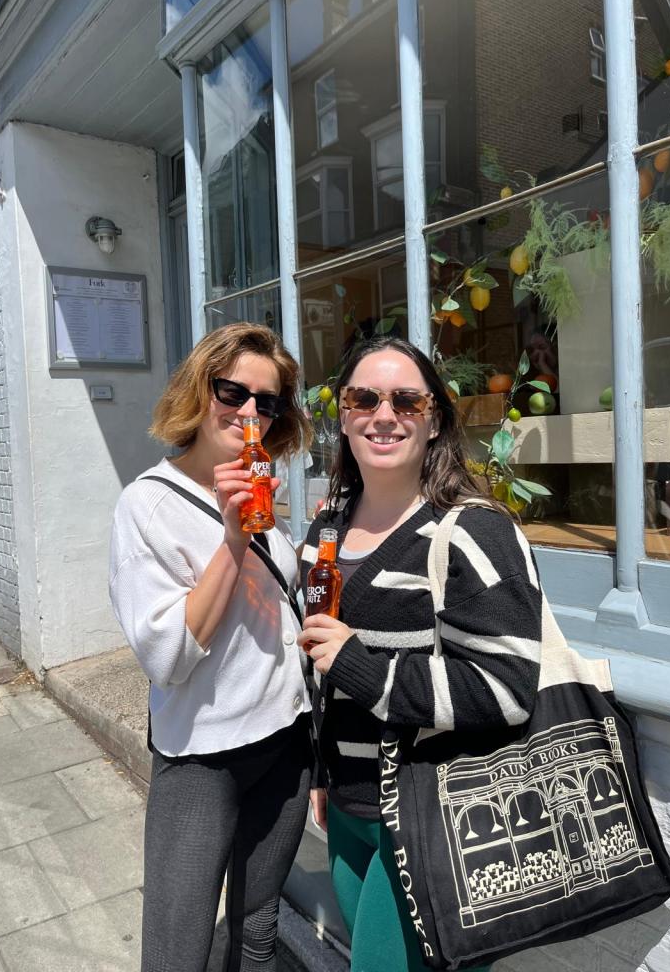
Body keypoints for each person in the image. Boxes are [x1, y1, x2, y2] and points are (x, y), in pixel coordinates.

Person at [298, 337, 543, 972]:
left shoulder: (475, 531)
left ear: (434, 419)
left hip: (428, 813)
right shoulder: (327, 527)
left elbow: (508, 690)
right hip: (351, 805)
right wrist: (325, 770)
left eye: (407, 400)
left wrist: (357, 660)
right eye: (363, 398)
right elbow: (316, 667)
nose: (385, 415)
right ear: (344, 416)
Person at [109, 323, 313, 972]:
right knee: (178, 950)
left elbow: (282, 616)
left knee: (257, 929)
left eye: (268, 401)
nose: (250, 411)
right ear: (201, 390)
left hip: (285, 743)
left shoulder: (260, 491)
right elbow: (166, 656)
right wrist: (231, 541)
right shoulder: (147, 505)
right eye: (234, 391)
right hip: (202, 760)